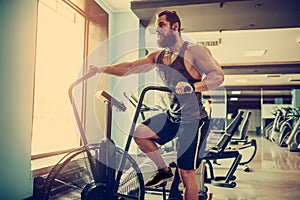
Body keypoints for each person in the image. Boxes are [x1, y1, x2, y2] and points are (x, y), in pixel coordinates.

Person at [90, 10, 224, 200]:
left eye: (161, 25)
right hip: (173, 116)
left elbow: (217, 76)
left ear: (175, 27)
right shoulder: (158, 56)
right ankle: (163, 170)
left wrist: (193, 86)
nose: (156, 30)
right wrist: (101, 69)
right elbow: (129, 68)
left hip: (193, 121)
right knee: (139, 133)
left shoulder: (194, 51)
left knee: (187, 174)